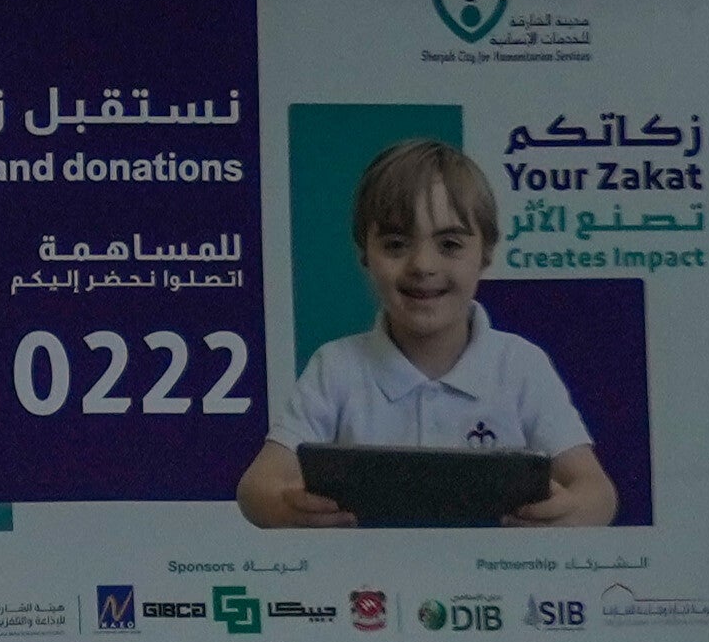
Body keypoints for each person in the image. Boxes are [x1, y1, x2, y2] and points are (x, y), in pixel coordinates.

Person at [241, 135, 619, 529]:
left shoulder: (520, 365)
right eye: (396, 244)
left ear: (486, 253)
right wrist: (291, 507)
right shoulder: (336, 367)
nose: (422, 264)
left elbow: (598, 492)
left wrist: (569, 512)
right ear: (364, 254)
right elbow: (257, 487)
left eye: (450, 244)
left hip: (498, 587)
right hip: (366, 585)